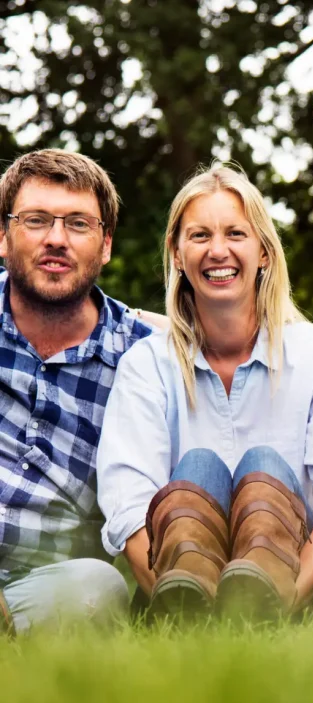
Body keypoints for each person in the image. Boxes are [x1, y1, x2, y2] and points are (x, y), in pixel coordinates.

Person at [96, 165, 313, 620]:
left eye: (235, 233)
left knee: (262, 466)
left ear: (264, 252)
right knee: (199, 469)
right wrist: (183, 603)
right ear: (175, 252)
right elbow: (128, 505)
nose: (218, 251)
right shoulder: (146, 365)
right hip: (181, 592)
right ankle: (194, 603)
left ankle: (256, 600)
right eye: (198, 236)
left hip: (303, 589)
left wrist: (281, 604)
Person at [0, 149, 154, 635]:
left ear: (105, 245)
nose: (56, 239)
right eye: (36, 220)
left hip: (43, 588)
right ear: (3, 236)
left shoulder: (143, 359)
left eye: (78, 224)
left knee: (99, 586)